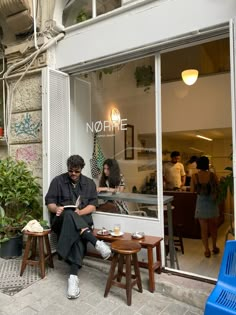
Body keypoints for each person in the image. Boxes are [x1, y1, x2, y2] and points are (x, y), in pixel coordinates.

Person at [45, 155, 111, 299]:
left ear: (82, 169)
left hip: (82, 222)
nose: (73, 174)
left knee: (77, 239)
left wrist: (79, 212)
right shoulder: (58, 181)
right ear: (68, 168)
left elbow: (93, 206)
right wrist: (56, 209)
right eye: (70, 171)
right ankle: (96, 243)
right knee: (68, 213)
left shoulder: (89, 183)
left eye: (77, 171)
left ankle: (73, 280)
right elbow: (49, 201)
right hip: (61, 222)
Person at [190, 156, 220, 258]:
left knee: (204, 229)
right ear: (207, 164)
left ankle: (206, 250)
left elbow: (192, 190)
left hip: (201, 203)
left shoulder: (195, 176)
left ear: (198, 164)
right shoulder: (213, 175)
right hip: (212, 203)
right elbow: (218, 188)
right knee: (213, 228)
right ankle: (214, 247)